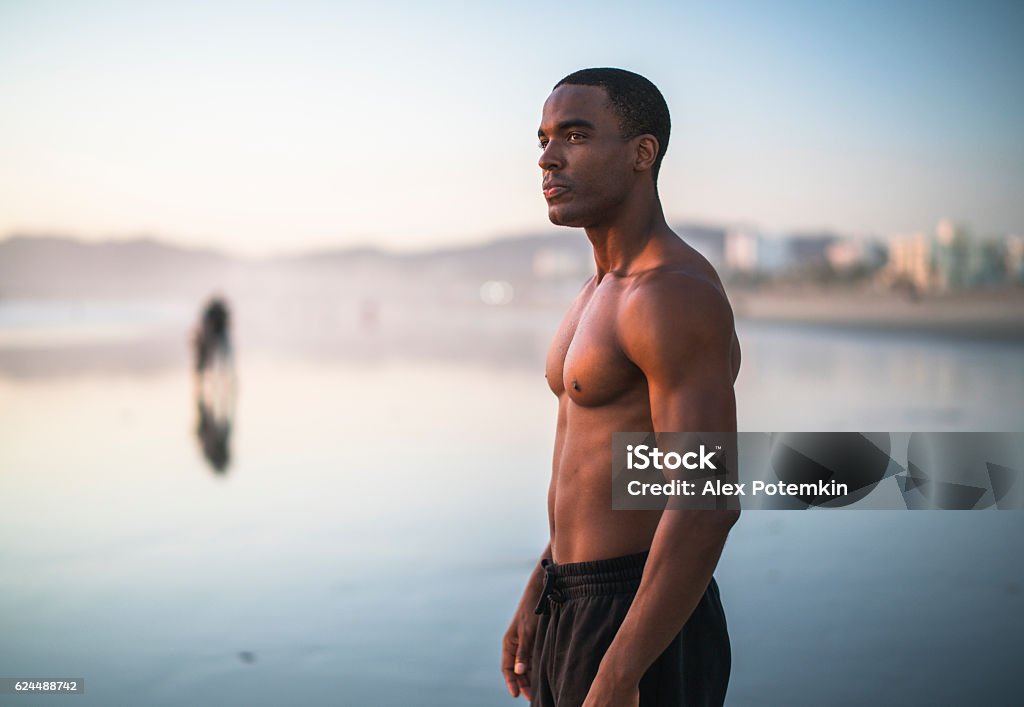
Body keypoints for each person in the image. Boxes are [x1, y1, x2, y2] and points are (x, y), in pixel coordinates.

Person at [502, 68, 742, 707]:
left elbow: (706, 502)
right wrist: (540, 590)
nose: (548, 158)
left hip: (639, 612)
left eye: (575, 136)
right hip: (573, 602)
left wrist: (618, 676)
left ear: (642, 153)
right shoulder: (598, 291)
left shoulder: (671, 295)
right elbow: (607, 468)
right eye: (545, 138)